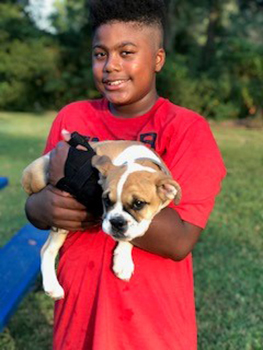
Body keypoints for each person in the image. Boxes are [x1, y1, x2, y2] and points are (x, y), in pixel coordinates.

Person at [25, 1, 226, 349]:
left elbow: (178, 241)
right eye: (100, 54)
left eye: (126, 52)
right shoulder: (72, 117)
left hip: (151, 328)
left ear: (158, 59)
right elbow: (40, 202)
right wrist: (38, 209)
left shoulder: (187, 129)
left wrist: (85, 182)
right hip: (79, 320)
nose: (111, 65)